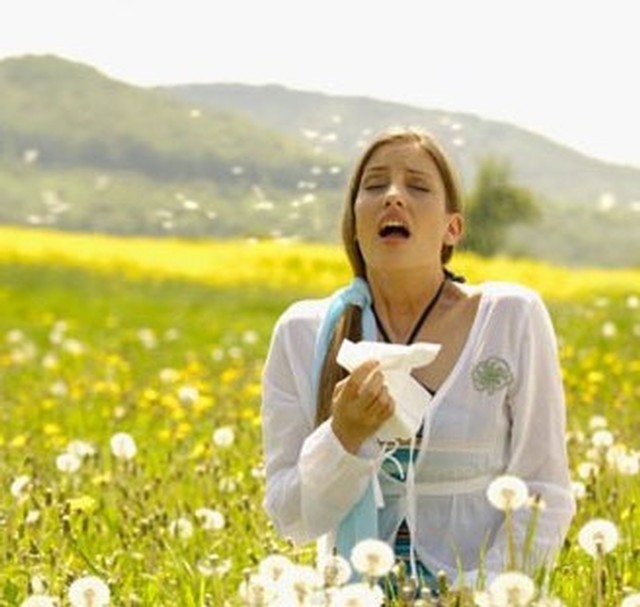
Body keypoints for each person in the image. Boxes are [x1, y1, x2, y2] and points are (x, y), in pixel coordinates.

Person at [260, 126, 575, 595]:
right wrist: (341, 437)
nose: (393, 196)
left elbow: (543, 491)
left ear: (453, 228)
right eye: (374, 185)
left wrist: (482, 595)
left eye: (418, 186)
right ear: (354, 220)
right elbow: (292, 518)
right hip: (354, 594)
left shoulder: (511, 318)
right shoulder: (303, 334)